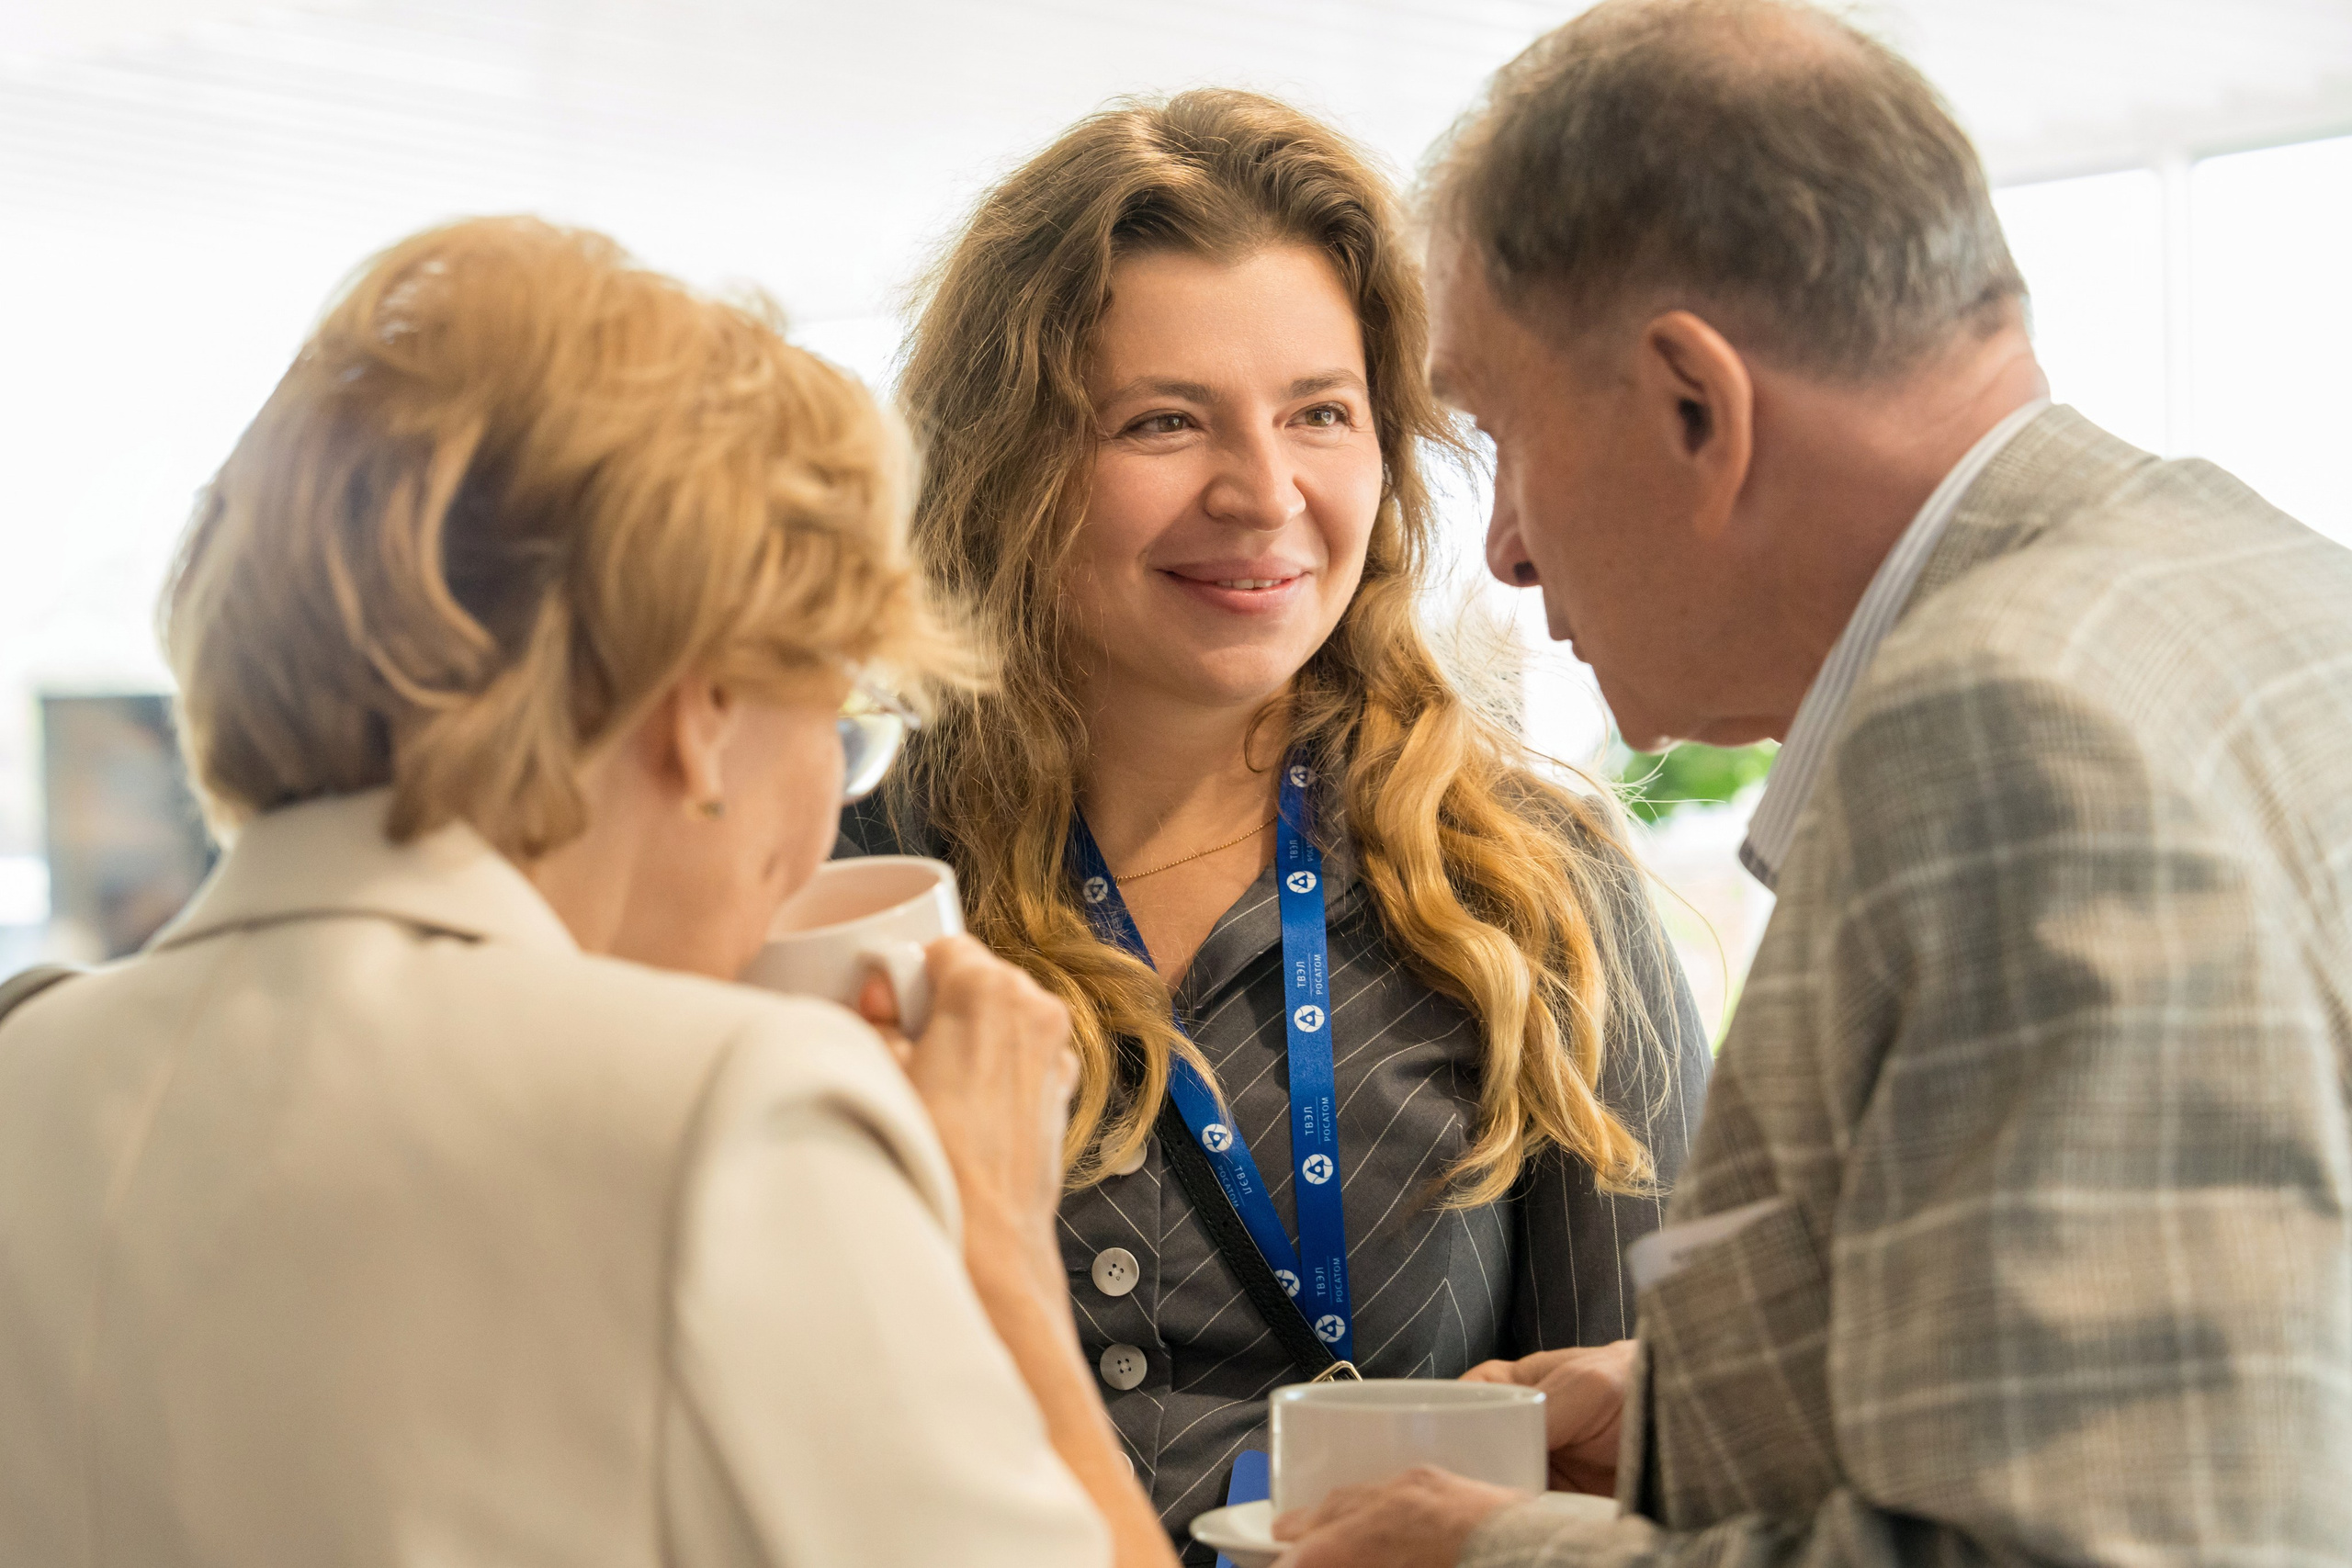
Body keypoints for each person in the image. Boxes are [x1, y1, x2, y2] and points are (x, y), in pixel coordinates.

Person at [1269, 1, 2352, 1564]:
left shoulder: (2008, 732)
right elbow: (2234, 1353)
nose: (1499, 543)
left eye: (1501, 430)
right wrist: (1691, 1416)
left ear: (1693, 405)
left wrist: (1488, 1554)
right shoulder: (2250, 587)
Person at [0, 218, 1180, 1568]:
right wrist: (994, 1242)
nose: (828, 812)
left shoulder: (27, 1063)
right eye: (844, 717)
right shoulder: (739, 1112)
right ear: (703, 702)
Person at [839, 89, 1712, 1557]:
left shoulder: (1536, 897)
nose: (1265, 495)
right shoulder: (843, 886)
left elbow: (1660, 1488)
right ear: (1005, 468)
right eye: (1164, 422)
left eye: (1321, 413)